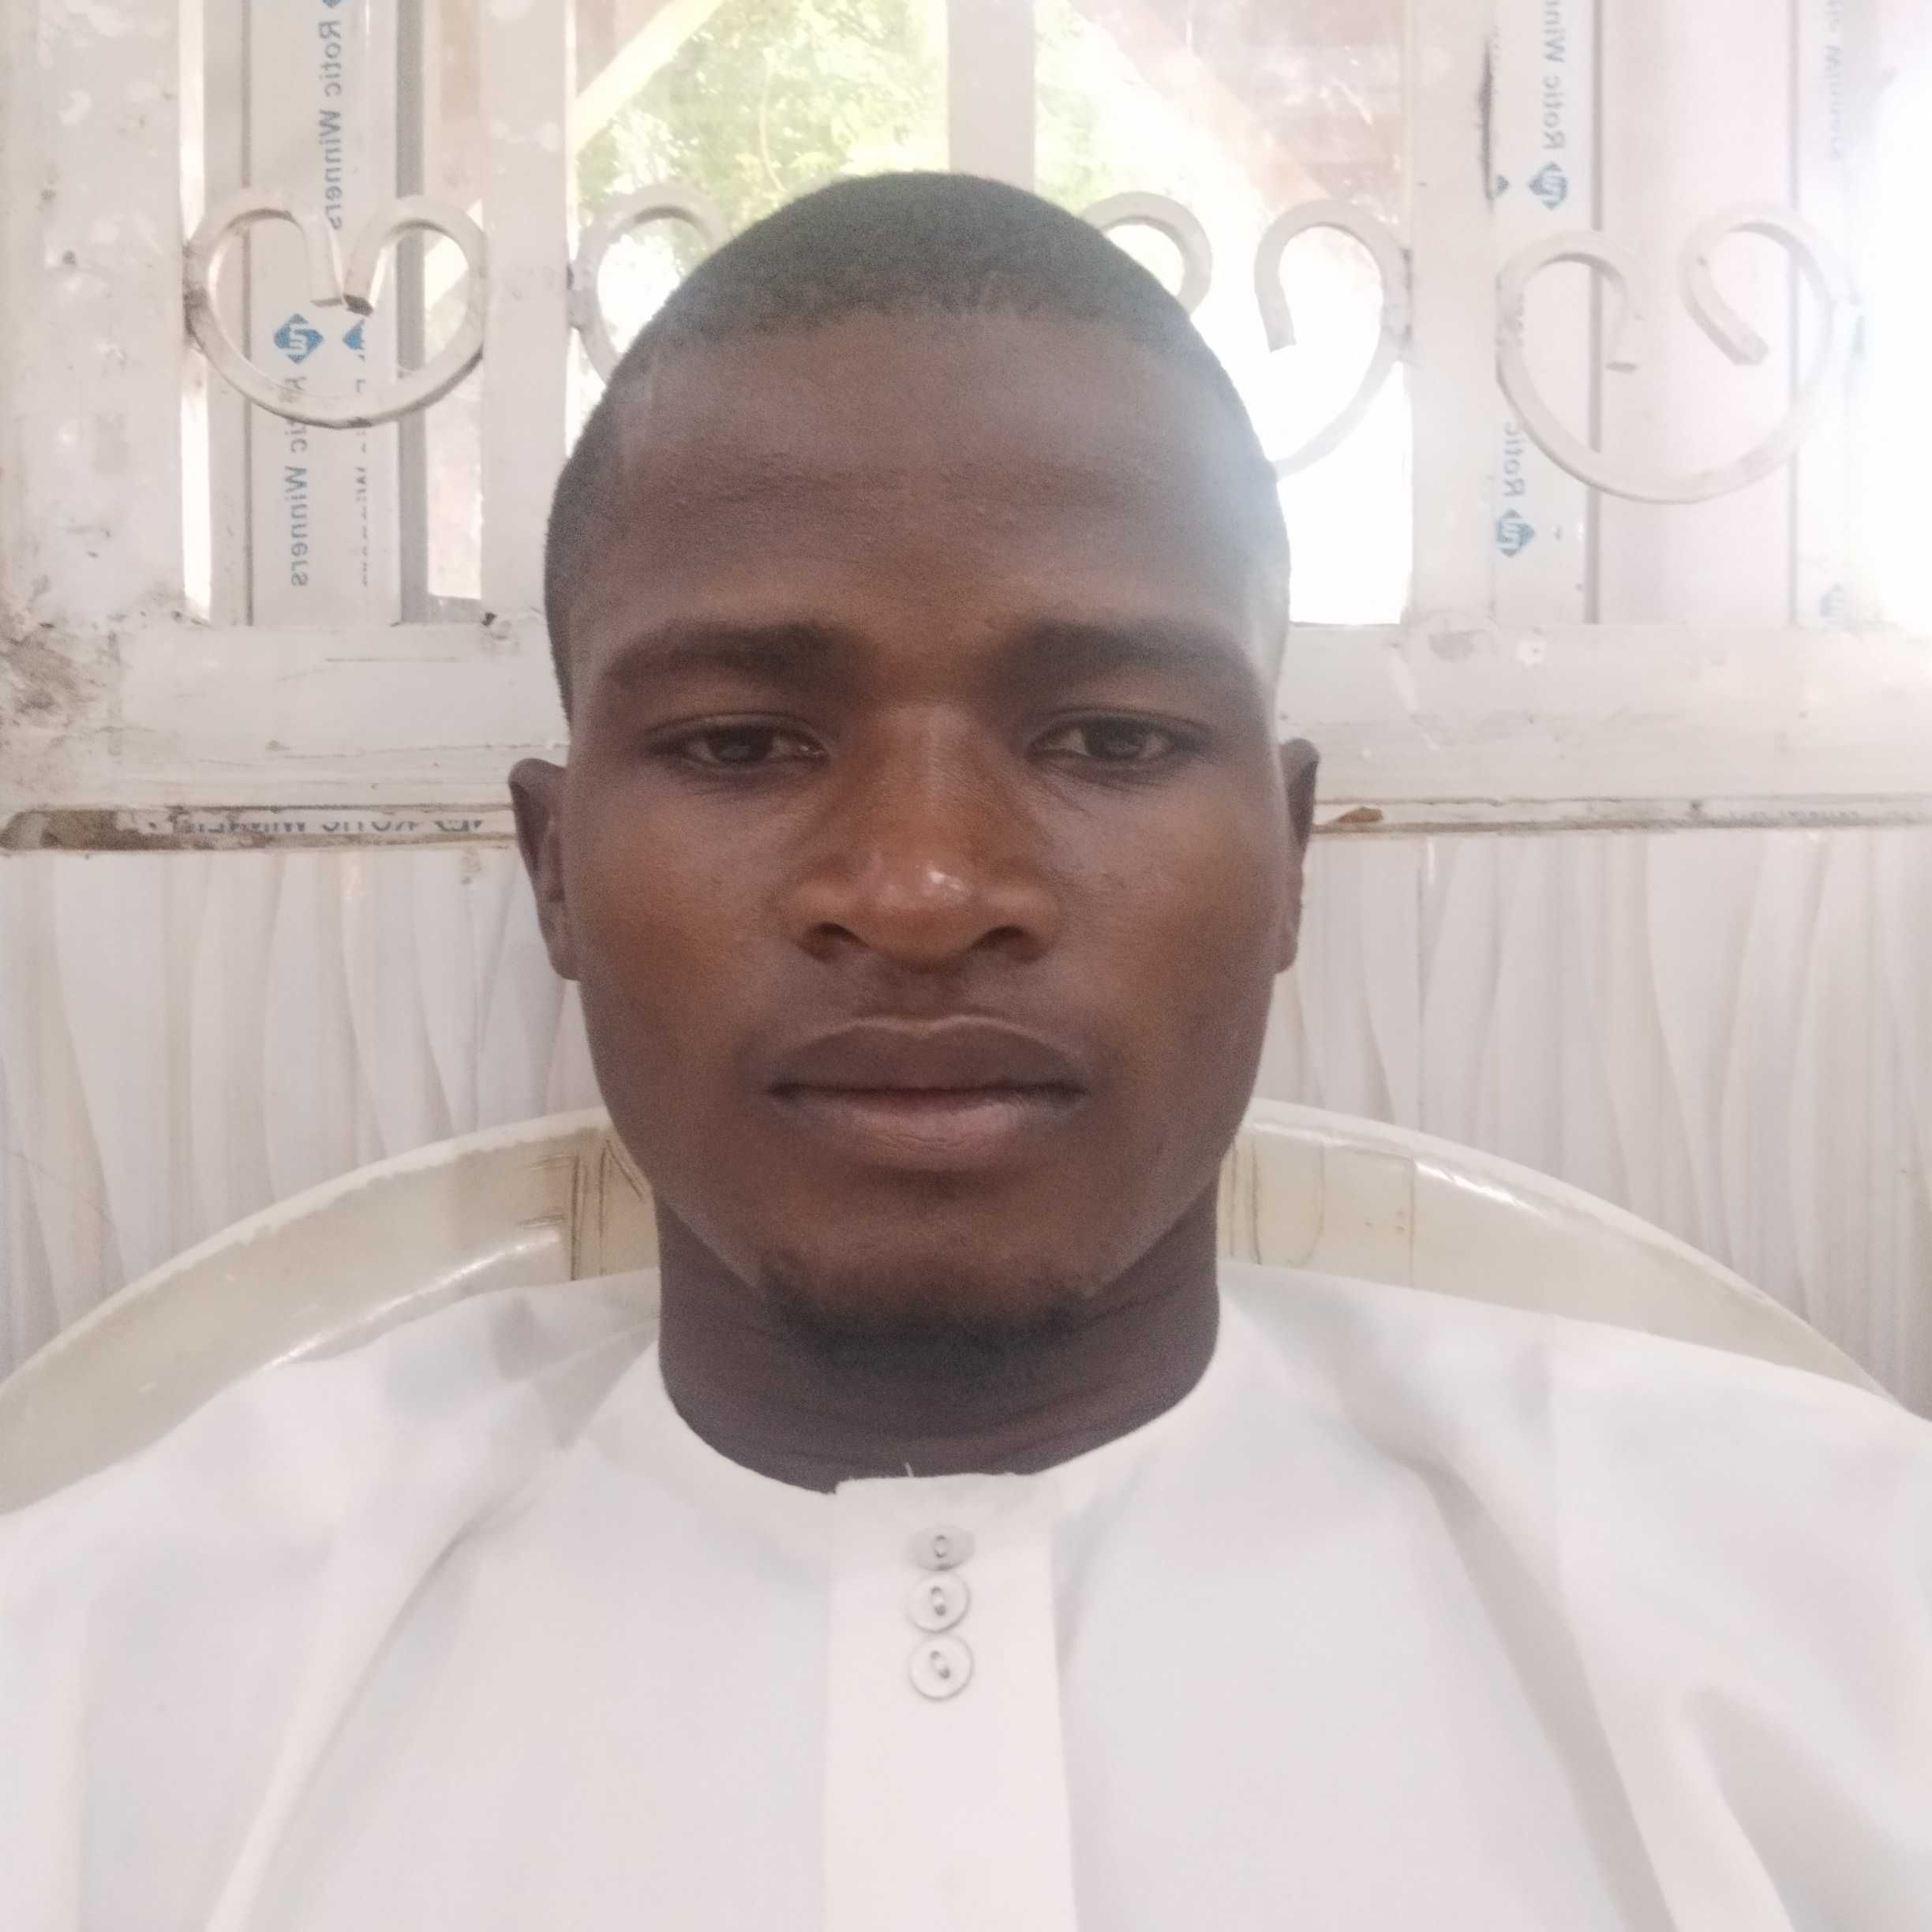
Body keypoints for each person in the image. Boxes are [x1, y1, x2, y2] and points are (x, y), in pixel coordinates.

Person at [2, 172, 1928, 1931]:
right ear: (554, 870)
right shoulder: (100, 1685)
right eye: (743, 743)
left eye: (1108, 739)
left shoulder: (1838, 1605)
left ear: (1288, 859)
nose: (923, 889)